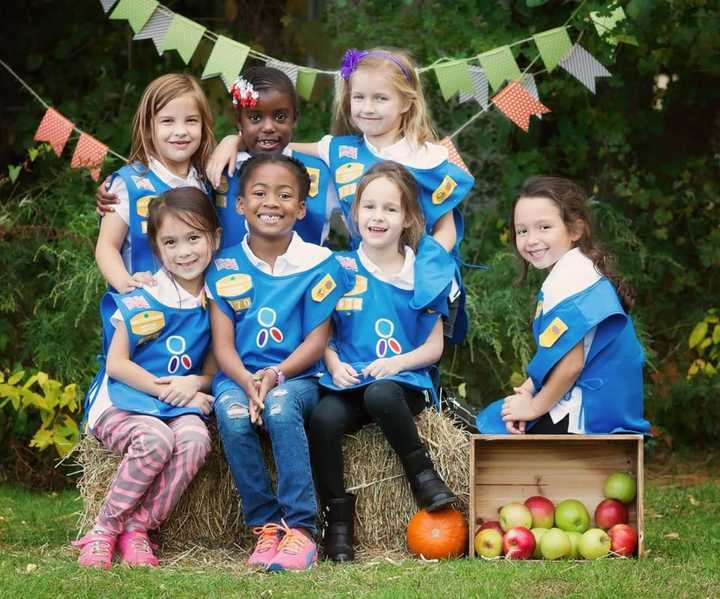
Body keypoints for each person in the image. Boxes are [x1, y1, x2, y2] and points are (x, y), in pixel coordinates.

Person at [208, 48, 475, 342]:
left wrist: (420, 270)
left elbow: (446, 227)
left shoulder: (427, 156)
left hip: (424, 278)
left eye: (380, 98)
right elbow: (281, 145)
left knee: (419, 362)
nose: (368, 107)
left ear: (406, 103)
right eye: (359, 97)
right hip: (371, 278)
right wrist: (231, 140)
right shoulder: (339, 150)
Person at [205, 154, 352, 572]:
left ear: (301, 208)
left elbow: (315, 341)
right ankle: (266, 525)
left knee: (281, 406)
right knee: (232, 416)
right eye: (259, 193)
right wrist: (248, 382)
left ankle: (301, 528)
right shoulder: (224, 265)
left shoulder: (319, 264)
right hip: (238, 376)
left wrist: (274, 375)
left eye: (285, 195)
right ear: (239, 204)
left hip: (297, 375)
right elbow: (223, 346)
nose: (272, 202)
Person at [309, 162, 457, 562]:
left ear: (408, 216)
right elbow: (319, 333)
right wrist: (334, 364)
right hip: (349, 378)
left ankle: (423, 477)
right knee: (323, 418)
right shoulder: (338, 268)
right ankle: (337, 519)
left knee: (381, 394)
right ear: (353, 213)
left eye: (390, 209)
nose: (378, 217)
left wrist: (398, 363)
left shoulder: (423, 272)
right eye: (369, 206)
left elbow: (433, 348)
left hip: (401, 384)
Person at [75, 187, 221, 569]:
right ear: (157, 249)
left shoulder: (218, 297)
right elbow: (117, 364)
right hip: (127, 397)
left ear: (215, 239)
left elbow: (211, 368)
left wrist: (196, 386)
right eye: (170, 242)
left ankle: (139, 528)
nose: (184, 251)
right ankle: (104, 529)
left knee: (194, 439)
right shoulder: (145, 295)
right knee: (155, 440)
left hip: (175, 401)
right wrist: (171, 392)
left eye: (194, 238)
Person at [475, 176, 651, 436]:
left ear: (575, 230)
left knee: (488, 426)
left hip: (591, 414)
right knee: (502, 412)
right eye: (522, 231)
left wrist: (533, 407)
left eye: (544, 227)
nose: (531, 239)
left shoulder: (571, 278)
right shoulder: (578, 268)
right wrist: (530, 387)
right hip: (609, 406)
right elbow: (559, 352)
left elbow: (571, 365)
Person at [94, 73, 215, 293]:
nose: (181, 131)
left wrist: (233, 140)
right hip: (146, 313)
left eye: (191, 120)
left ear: (203, 126)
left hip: (197, 314)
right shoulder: (129, 184)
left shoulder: (207, 180)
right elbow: (106, 245)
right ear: (149, 129)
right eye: (168, 121)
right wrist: (125, 283)